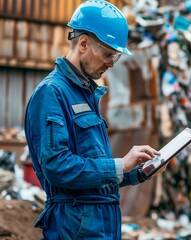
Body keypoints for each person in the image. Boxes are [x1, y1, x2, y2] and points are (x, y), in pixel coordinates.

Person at [24, 1, 165, 239]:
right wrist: (119, 165)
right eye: (109, 54)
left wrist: (137, 172)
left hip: (98, 223)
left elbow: (92, 175)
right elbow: (57, 167)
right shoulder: (52, 93)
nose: (111, 62)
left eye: (116, 56)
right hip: (74, 225)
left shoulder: (85, 93)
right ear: (84, 44)